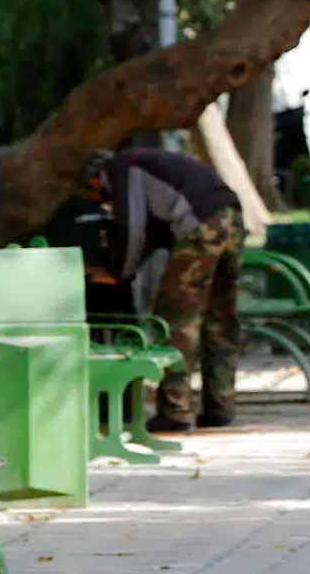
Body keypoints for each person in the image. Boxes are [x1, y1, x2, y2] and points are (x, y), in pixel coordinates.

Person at [80, 148, 245, 433]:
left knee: (176, 317)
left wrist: (117, 274)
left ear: (96, 178)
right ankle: (221, 405)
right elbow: (152, 238)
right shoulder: (149, 166)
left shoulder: (122, 169)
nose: (104, 203)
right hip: (230, 216)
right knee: (220, 318)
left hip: (199, 225)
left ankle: (175, 409)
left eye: (98, 195)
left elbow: (133, 231)